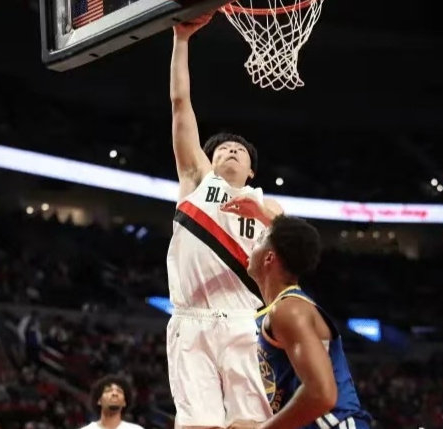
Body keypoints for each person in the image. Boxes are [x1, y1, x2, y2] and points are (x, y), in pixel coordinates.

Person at [166, 11, 283, 429]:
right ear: (208, 159)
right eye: (223, 148)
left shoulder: (268, 204)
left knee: (251, 424)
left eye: (240, 150)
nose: (231, 150)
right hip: (190, 318)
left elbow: (299, 245)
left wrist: (262, 213)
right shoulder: (196, 179)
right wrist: (181, 40)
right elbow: (180, 105)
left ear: (251, 171)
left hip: (243, 319)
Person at [228, 215, 371, 429]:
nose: (251, 247)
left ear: (269, 257)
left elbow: (322, 394)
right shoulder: (272, 313)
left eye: (258, 241)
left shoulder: (290, 310)